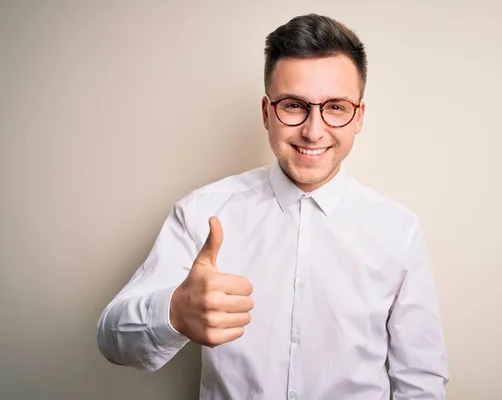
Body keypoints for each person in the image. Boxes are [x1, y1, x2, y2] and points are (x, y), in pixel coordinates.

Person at [97, 13, 449, 400]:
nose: (313, 130)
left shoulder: (398, 229)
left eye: (335, 107)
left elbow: (421, 380)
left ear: (358, 117)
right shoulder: (201, 211)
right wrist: (174, 313)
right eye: (294, 105)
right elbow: (111, 338)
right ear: (266, 112)